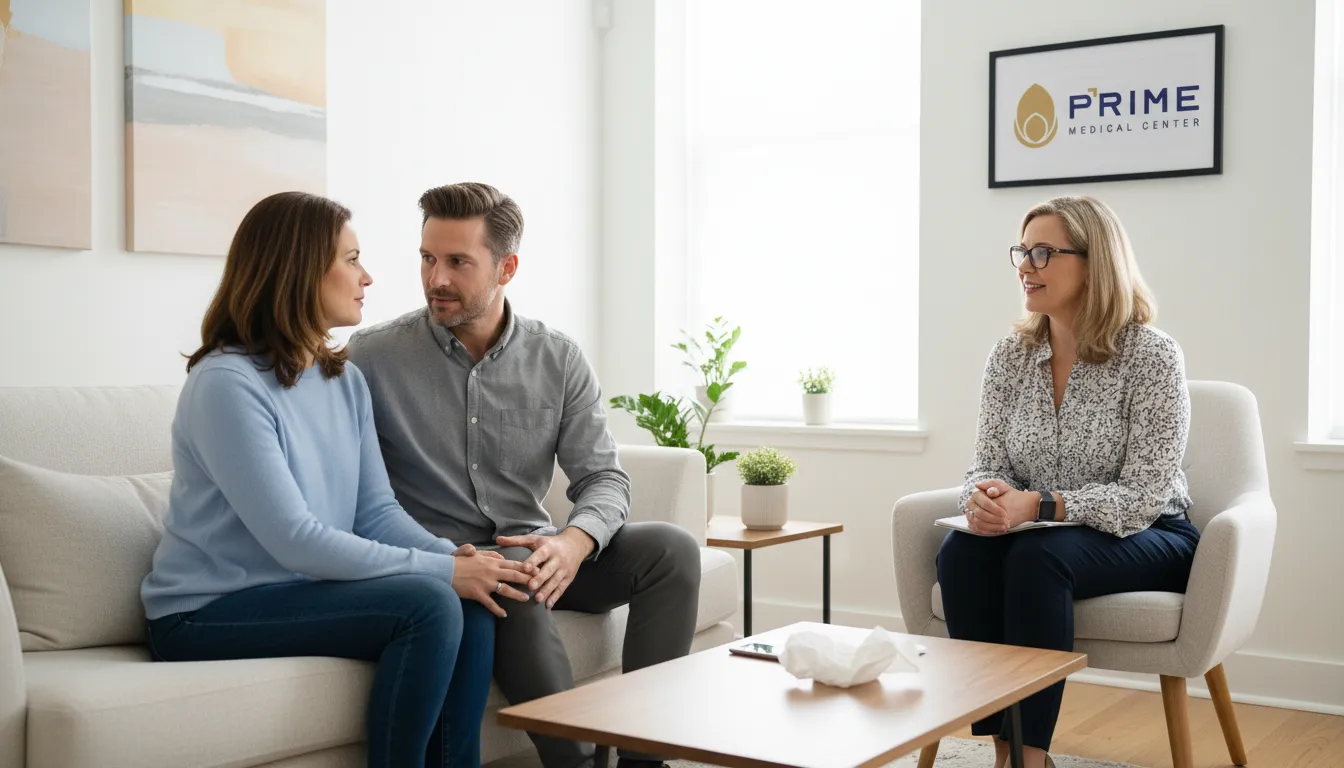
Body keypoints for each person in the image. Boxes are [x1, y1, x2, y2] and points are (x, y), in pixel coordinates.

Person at [141, 191, 534, 768]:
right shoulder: (227, 384)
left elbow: (375, 512)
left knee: (471, 600)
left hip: (297, 591)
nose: (367, 276)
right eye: (351, 259)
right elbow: (295, 539)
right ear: (299, 270)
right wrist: (442, 571)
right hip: (206, 611)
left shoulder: (343, 380)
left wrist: (460, 560)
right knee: (430, 601)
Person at [347, 182, 702, 768]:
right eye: (427, 258)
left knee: (671, 550)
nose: (436, 278)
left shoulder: (557, 357)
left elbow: (604, 477)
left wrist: (574, 541)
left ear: (506, 268)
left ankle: (644, 760)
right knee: (514, 579)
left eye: (458, 262)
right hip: (451, 565)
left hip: (537, 553)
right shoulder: (372, 358)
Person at [937, 196, 1201, 768]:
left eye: (1043, 253)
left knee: (1038, 558)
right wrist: (986, 500)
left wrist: (1039, 505)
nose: (1025, 267)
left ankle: (1030, 756)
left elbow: (1144, 494)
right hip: (1041, 531)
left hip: (1151, 533)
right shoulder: (1010, 356)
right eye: (1022, 252)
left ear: (1094, 262)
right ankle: (1004, 746)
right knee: (961, 551)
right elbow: (985, 464)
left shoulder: (1152, 356)